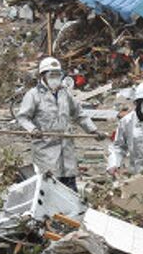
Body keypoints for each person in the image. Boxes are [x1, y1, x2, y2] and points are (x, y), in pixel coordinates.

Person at [16, 57, 105, 191]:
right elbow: (23, 117)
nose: (55, 78)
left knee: (70, 188)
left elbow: (79, 114)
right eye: (52, 75)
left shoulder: (65, 93)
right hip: (46, 148)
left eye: (58, 75)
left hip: (66, 147)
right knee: (50, 188)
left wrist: (93, 130)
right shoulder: (33, 95)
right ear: (43, 76)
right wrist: (33, 129)